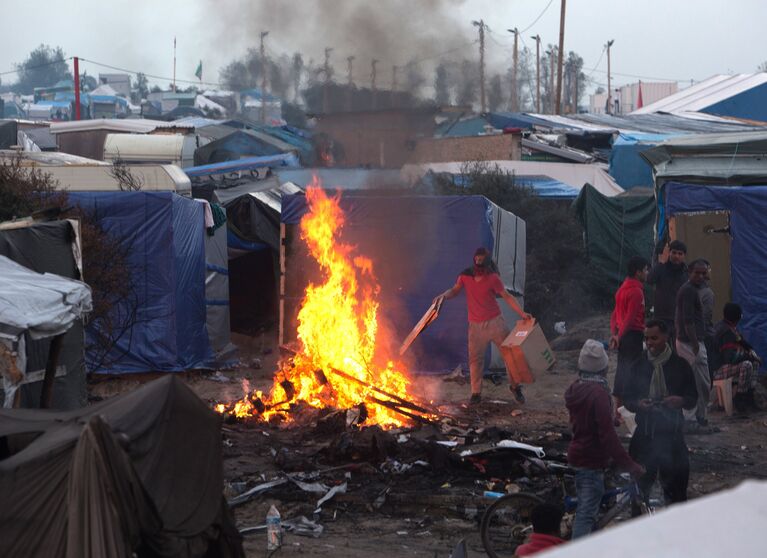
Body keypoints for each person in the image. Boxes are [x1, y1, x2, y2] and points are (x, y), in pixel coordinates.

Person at [565, 339, 644, 539]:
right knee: (586, 514)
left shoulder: (577, 387)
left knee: (589, 506)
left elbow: (587, 419)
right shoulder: (599, 393)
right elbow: (608, 438)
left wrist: (608, 420)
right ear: (603, 367)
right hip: (590, 459)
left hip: (578, 452)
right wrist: (630, 464)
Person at [434, 247, 532, 405]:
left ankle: (515, 387)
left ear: (486, 262)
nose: (478, 263)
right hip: (475, 326)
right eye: (477, 260)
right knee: (475, 360)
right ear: (474, 260)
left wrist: (522, 313)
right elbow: (455, 290)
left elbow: (506, 296)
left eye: (482, 260)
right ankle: (476, 393)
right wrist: (443, 297)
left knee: (510, 355)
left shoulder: (493, 278)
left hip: (495, 322)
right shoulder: (465, 275)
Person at [623, 320, 698, 508]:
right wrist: (639, 404)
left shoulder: (680, 365)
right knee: (639, 492)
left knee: (676, 493)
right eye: (646, 338)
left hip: (672, 436)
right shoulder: (638, 365)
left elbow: (693, 397)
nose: (649, 343)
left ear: (666, 337)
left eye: (654, 338)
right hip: (645, 436)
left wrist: (679, 401)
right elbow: (628, 399)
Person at [675, 259, 711, 426]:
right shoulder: (689, 290)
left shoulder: (691, 289)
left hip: (689, 341)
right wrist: (695, 343)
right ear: (689, 272)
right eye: (697, 272)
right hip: (690, 343)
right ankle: (694, 418)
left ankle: (698, 417)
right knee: (699, 383)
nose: (701, 276)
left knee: (698, 381)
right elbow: (688, 320)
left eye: (703, 273)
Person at [609, 255, 649, 403]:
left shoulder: (622, 289)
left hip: (623, 335)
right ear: (638, 272)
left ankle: (618, 409)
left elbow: (615, 315)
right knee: (633, 371)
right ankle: (628, 407)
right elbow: (631, 318)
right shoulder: (637, 292)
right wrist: (618, 336)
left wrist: (615, 334)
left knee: (622, 369)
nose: (647, 273)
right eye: (645, 270)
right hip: (632, 335)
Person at [710, 303, 761, 412]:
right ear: (737, 318)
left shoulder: (727, 326)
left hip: (724, 366)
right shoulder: (726, 332)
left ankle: (749, 398)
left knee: (754, 363)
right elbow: (730, 358)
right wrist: (749, 356)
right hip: (717, 369)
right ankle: (740, 400)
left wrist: (751, 352)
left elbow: (741, 341)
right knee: (747, 365)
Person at [647, 240, 688, 338]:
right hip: (661, 317)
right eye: (674, 252)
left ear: (684, 256)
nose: (676, 256)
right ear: (669, 253)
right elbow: (650, 279)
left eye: (680, 253)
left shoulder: (687, 273)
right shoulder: (661, 268)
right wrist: (661, 262)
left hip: (679, 318)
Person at [698, 260, 715, 375]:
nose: (710, 271)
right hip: (703, 335)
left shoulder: (688, 288)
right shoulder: (707, 293)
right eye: (709, 269)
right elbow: (705, 317)